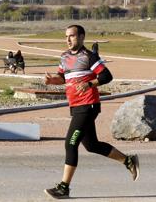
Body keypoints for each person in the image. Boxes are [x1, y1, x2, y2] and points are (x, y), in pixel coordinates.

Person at [43, 25, 140, 200]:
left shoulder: (89, 56)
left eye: (72, 36)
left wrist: (89, 84)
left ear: (81, 37)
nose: (68, 40)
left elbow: (106, 76)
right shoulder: (64, 57)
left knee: (70, 144)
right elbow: (63, 77)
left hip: (88, 105)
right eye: (66, 36)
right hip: (75, 106)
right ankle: (128, 161)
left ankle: (64, 188)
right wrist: (52, 81)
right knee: (92, 145)